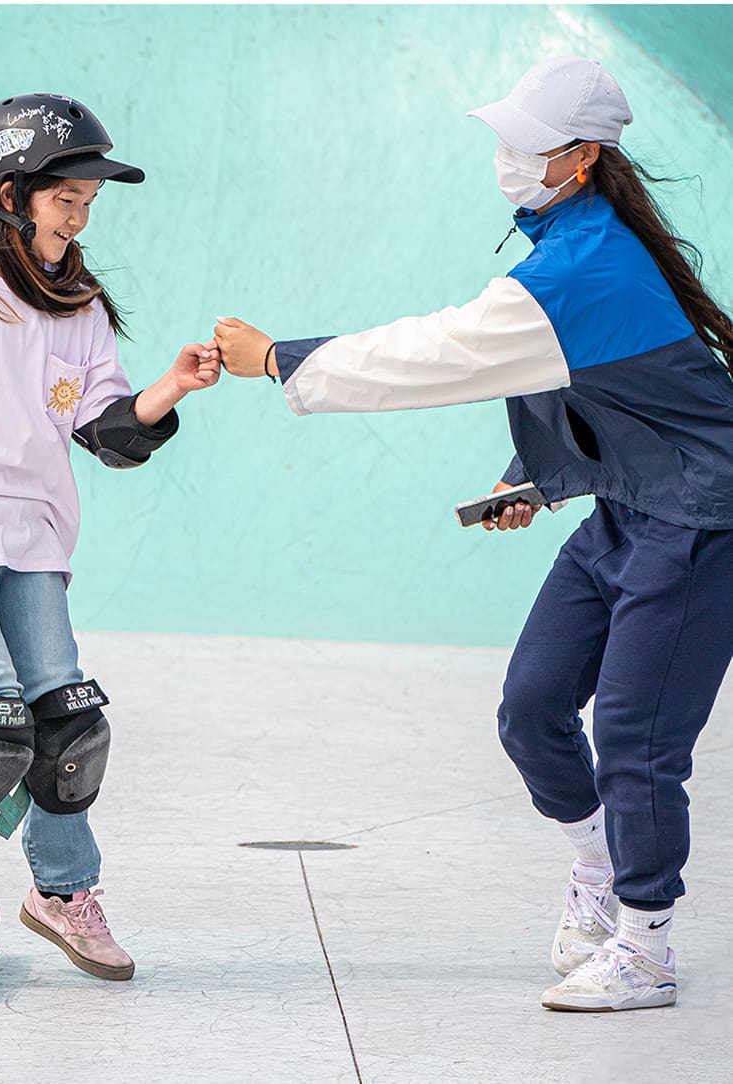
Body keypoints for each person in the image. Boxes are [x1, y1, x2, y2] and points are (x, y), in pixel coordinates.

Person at [213, 56, 733, 1011]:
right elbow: (582, 382)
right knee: (530, 707)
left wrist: (278, 358)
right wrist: (532, 478)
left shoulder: (586, 262)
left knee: (633, 737)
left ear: (578, 158)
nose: (502, 158)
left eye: (520, 144)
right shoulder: (572, 243)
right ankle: (597, 869)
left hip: (700, 522)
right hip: (627, 510)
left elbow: (441, 351)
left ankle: (647, 944)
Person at [0, 94, 220, 981]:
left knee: (67, 725)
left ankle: (62, 893)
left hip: (33, 537)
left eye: (90, 196)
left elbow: (110, 433)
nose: (83, 208)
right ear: (13, 191)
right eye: (68, 193)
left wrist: (170, 388)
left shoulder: (78, 301)